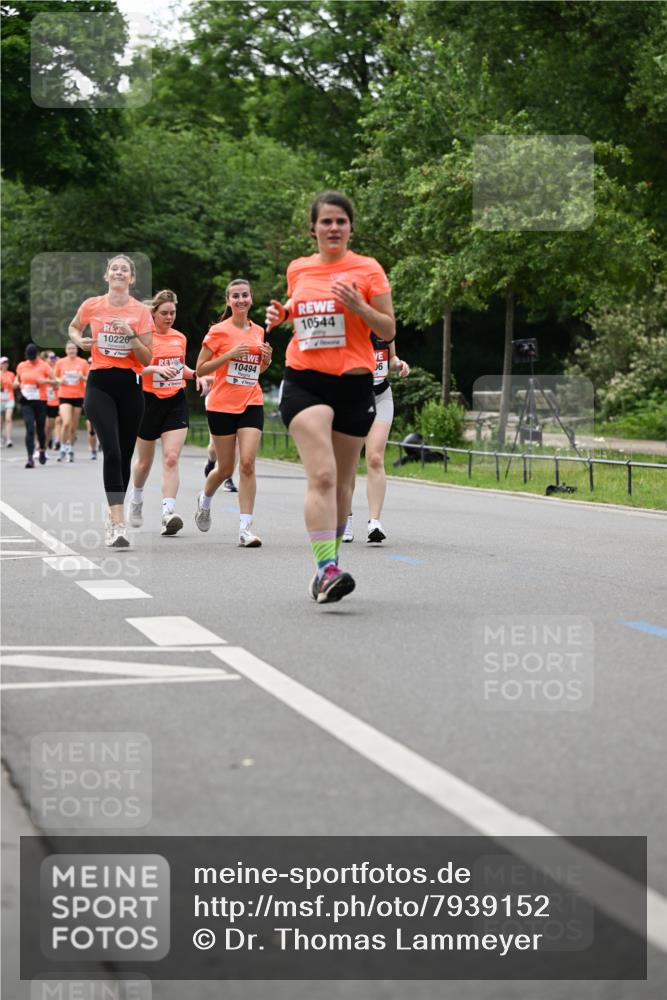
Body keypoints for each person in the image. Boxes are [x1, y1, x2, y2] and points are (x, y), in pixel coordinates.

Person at [266, 190, 395, 603]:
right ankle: (326, 568)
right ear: (313, 229)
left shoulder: (368, 269)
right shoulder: (299, 268)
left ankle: (328, 564)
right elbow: (299, 301)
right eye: (326, 221)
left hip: (355, 383)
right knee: (321, 475)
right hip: (305, 379)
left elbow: (388, 329)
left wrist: (360, 306)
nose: (334, 228)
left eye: (341, 221)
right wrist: (282, 313)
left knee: (341, 484)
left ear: (351, 227)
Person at [68, 254, 153, 547]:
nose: (119, 272)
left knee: (125, 455)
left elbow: (146, 358)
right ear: (107, 276)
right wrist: (79, 341)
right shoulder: (92, 304)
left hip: (130, 386)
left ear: (131, 279)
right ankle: (118, 525)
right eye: (114, 268)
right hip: (100, 384)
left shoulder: (141, 311)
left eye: (125, 269)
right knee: (113, 452)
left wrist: (130, 335)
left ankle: (112, 512)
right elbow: (74, 327)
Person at [195, 278, 271, 546]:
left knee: (247, 463)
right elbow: (200, 369)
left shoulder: (259, 331)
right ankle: (204, 498)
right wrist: (228, 355)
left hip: (251, 400)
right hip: (222, 405)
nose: (241, 300)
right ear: (229, 301)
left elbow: (256, 371)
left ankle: (245, 528)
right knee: (226, 469)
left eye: (245, 295)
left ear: (251, 299)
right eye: (235, 296)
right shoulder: (218, 331)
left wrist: (266, 360)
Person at [128, 289, 204, 536]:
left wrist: (196, 375)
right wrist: (154, 371)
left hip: (175, 400)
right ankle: (137, 499)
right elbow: (134, 370)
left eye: (173, 312)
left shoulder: (179, 338)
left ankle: (168, 513)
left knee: (171, 458)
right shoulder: (143, 338)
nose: (169, 317)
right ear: (153, 313)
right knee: (144, 463)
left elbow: (178, 367)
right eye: (164, 313)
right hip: (147, 402)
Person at [343, 335, 409, 543]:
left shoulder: (385, 327)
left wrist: (398, 364)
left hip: (381, 397)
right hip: (352, 399)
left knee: (374, 458)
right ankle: (346, 519)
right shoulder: (348, 324)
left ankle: (374, 522)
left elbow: (391, 359)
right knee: (349, 463)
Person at [14, 344, 56, 468]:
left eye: (33, 357)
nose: (31, 359)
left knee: (40, 429)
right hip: (26, 401)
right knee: (30, 429)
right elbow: (17, 380)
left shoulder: (44, 366)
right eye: (29, 357)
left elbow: (56, 382)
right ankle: (30, 458)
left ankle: (42, 449)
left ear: (37, 355)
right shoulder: (22, 365)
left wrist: (46, 381)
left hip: (40, 401)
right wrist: (16, 383)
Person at [54, 341, 88, 462]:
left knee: (74, 426)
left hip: (78, 396)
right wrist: (60, 380)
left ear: (77, 350)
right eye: (69, 349)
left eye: (73, 349)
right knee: (66, 422)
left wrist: (82, 377)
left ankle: (70, 448)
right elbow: (54, 378)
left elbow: (89, 378)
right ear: (66, 350)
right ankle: (63, 447)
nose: (71, 351)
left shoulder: (83, 363)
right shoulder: (60, 362)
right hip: (64, 395)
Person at [41, 352, 61, 451]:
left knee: (58, 421)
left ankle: (57, 441)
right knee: (47, 425)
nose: (53, 359)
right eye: (51, 357)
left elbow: (59, 384)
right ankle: (46, 441)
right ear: (46, 359)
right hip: (45, 400)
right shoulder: (43, 368)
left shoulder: (57, 368)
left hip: (57, 400)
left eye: (54, 357)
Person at [1, 356, 16, 447]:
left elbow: (15, 385)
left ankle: (9, 439)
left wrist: (12, 385)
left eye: (6, 363)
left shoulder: (11, 374)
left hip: (9, 398)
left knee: (8, 419)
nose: (5, 365)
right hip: (0, 399)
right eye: (3, 363)